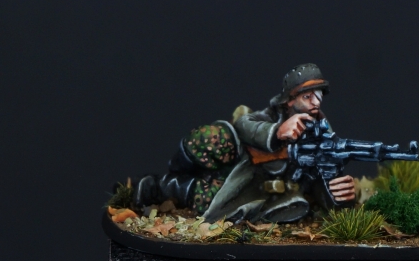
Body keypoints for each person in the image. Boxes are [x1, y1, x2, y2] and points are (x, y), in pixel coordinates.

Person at [136, 64, 355, 224]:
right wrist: (278, 131)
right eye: (307, 97)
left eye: (318, 96)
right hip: (237, 157)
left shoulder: (324, 135)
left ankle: (162, 186)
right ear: (289, 100)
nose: (316, 102)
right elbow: (244, 125)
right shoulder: (272, 116)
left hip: (255, 186)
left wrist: (337, 196)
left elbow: (322, 185)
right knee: (211, 137)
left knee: (212, 202)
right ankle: (179, 169)